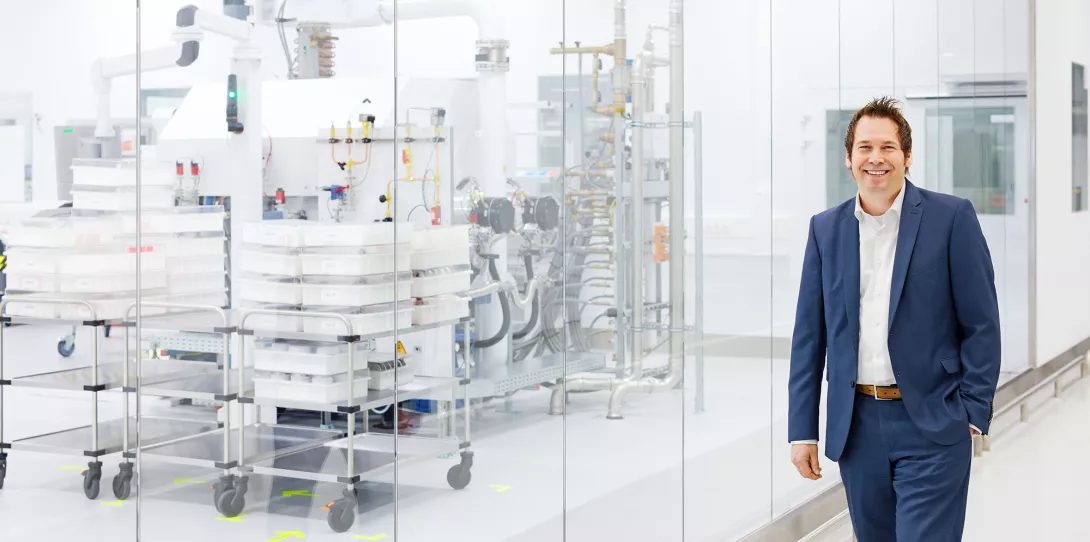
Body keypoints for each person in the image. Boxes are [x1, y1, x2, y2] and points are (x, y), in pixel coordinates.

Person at [787, 96, 1001, 542]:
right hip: (857, 426)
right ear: (849, 158)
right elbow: (810, 337)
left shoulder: (950, 217)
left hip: (934, 421)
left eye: (887, 147)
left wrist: (972, 410)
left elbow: (981, 324)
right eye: (864, 147)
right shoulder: (825, 229)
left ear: (906, 157)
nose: (875, 158)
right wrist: (801, 429)